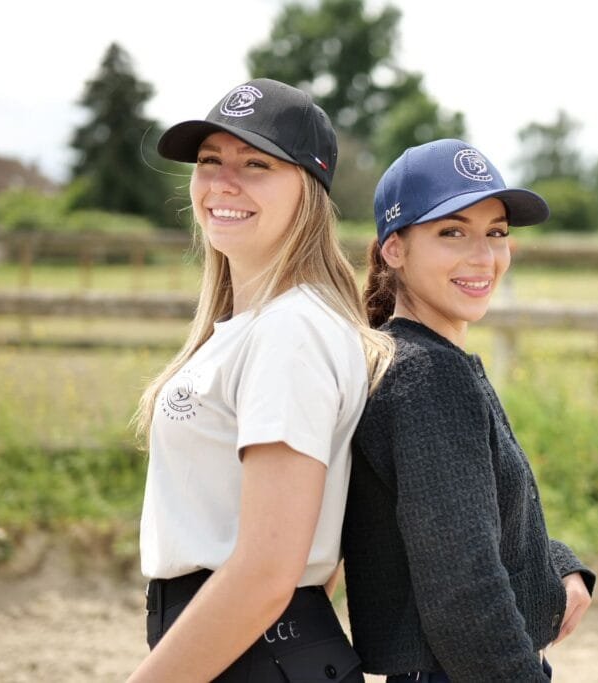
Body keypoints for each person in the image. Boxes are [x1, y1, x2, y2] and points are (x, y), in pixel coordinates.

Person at [128, 78, 392, 682]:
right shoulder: (264, 327)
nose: (224, 182)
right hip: (254, 648)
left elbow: (269, 572)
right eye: (209, 161)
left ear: (310, 190)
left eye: (256, 164)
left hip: (255, 649)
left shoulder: (290, 333)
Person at [342, 139, 596, 682]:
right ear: (394, 248)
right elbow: (463, 590)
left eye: (496, 233)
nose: (484, 257)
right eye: (452, 232)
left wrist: (556, 566)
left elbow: (457, 525)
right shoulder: (427, 377)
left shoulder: (412, 360)